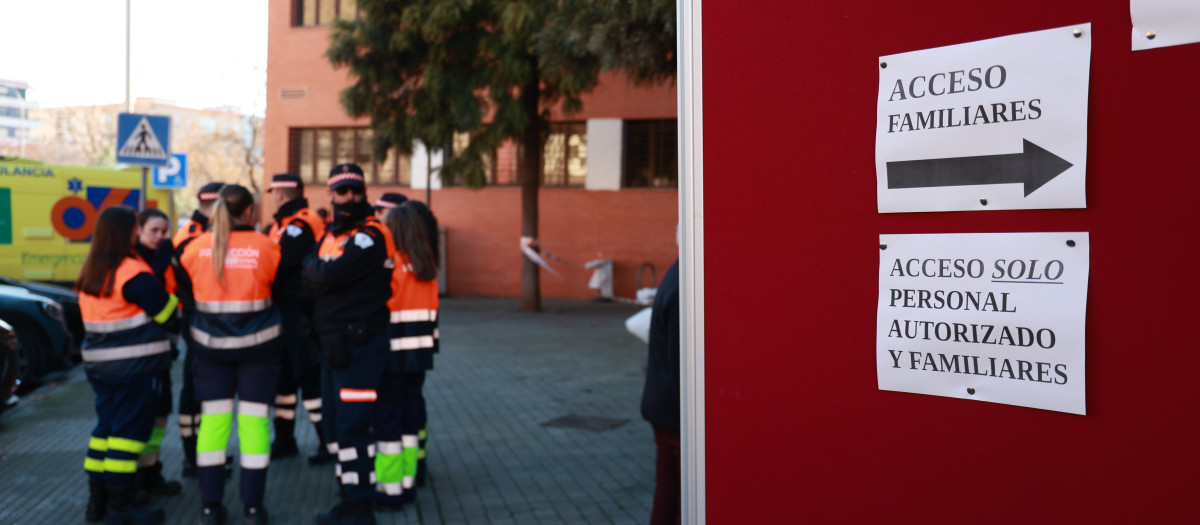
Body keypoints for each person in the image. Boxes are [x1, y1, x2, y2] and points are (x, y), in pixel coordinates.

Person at [178, 185, 284, 525]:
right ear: (249, 212)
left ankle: (210, 507)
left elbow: (188, 302)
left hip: (209, 351)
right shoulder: (268, 247)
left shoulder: (193, 249)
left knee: (213, 425)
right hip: (259, 350)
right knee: (254, 426)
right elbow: (281, 295)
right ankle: (253, 508)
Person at [303, 163, 395, 525]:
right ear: (331, 194)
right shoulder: (329, 235)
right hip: (332, 344)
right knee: (337, 428)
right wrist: (322, 276)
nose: (350, 197)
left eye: (356, 190)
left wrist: (322, 277)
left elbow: (329, 274)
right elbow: (311, 271)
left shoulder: (371, 234)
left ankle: (360, 508)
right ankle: (347, 499)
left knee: (355, 427)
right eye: (342, 191)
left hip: (359, 345)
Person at [78, 206, 178, 525]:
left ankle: (98, 504)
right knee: (128, 435)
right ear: (127, 232)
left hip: (99, 366)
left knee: (104, 432)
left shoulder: (92, 270)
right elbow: (167, 314)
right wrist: (172, 298)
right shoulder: (132, 272)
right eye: (135, 228)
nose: (138, 233)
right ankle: (121, 508)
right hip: (133, 368)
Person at [374, 201, 439, 510]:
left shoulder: (391, 264)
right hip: (420, 354)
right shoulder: (426, 264)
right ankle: (409, 482)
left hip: (391, 354)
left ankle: (389, 489)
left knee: (388, 419)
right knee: (411, 418)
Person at [265, 173, 333, 465]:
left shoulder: (302, 223)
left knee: (309, 379)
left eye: (274, 193)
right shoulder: (281, 225)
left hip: (301, 314)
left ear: (282, 194)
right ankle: (284, 439)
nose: (272, 197)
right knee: (284, 380)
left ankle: (327, 441)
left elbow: (277, 262)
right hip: (283, 312)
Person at [131, 208, 183, 504]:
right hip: (137, 354)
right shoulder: (134, 262)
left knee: (161, 413)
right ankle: (136, 479)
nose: (161, 237)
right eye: (154, 231)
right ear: (138, 229)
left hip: (162, 349)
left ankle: (151, 471)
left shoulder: (163, 257)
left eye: (165, 231)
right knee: (141, 417)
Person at [172, 181, 224, 476]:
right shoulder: (192, 236)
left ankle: (201, 454)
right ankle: (193, 457)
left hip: (202, 318)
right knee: (194, 389)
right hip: (195, 319)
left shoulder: (196, 232)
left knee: (200, 388)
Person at [641, 259, 680, 525]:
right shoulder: (685, 284)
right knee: (684, 498)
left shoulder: (676, 272)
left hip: (662, 407)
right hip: (675, 414)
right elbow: (682, 367)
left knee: (668, 491)